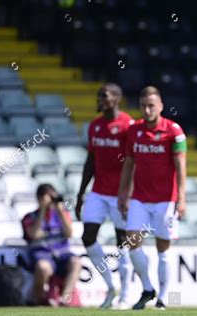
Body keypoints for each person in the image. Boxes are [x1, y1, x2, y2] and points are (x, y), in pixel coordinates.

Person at [118, 85, 187, 310]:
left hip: (166, 200)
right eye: (143, 106)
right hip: (139, 197)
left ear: (161, 107)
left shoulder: (174, 131)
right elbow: (129, 163)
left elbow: (181, 165)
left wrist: (182, 197)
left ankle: (163, 297)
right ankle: (148, 288)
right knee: (131, 242)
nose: (147, 110)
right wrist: (123, 193)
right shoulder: (134, 130)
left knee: (163, 249)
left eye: (151, 106)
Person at [75, 83, 133, 309]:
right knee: (88, 237)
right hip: (98, 193)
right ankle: (110, 287)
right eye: (99, 95)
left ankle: (126, 294)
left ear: (117, 99)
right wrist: (80, 194)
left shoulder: (128, 125)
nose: (100, 99)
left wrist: (127, 194)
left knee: (123, 244)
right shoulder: (95, 126)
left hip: (120, 194)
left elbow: (133, 162)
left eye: (105, 95)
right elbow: (90, 162)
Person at [22, 184, 81, 306]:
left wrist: (60, 211)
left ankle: (65, 299)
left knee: (76, 262)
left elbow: (69, 232)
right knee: (43, 267)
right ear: (39, 198)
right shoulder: (29, 217)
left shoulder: (61, 214)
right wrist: (43, 210)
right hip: (42, 255)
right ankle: (38, 299)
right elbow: (34, 234)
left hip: (63, 254)